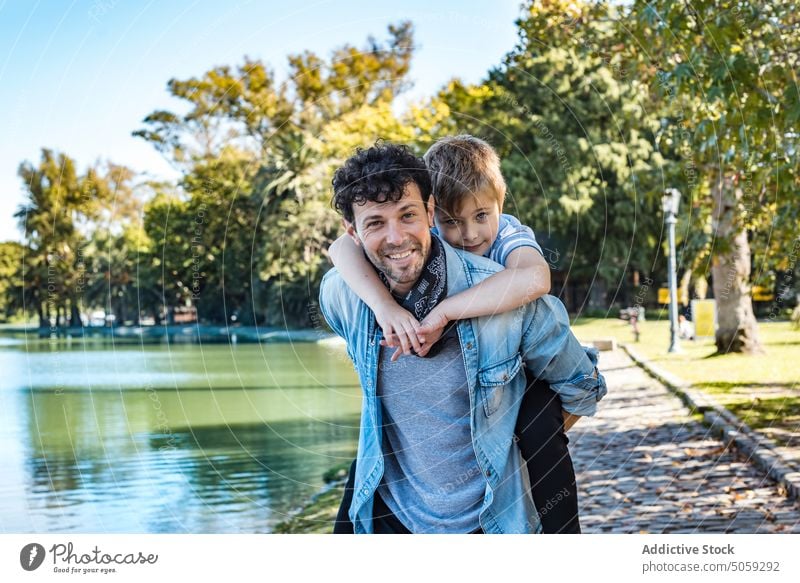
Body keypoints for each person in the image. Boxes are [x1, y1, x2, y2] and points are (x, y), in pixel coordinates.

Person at [319, 142, 607, 534]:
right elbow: (339, 257)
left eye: (407, 215)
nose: (396, 237)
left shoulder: (507, 293)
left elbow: (583, 386)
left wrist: (517, 447)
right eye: (374, 223)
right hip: (394, 516)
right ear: (353, 232)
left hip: (491, 520)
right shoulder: (347, 297)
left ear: (428, 211)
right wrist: (385, 308)